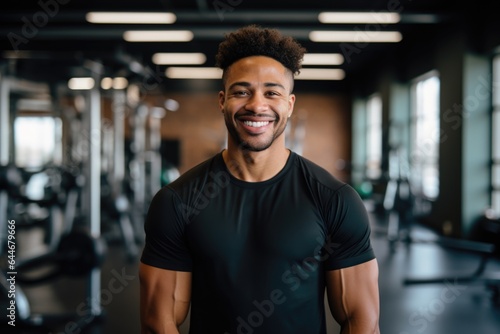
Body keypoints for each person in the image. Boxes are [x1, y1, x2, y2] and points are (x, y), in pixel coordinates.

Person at [139, 25, 380, 334]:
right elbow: (157, 322)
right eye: (242, 91)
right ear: (222, 100)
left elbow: (362, 322)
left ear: (289, 104)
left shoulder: (334, 200)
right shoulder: (176, 202)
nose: (256, 105)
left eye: (272, 92)